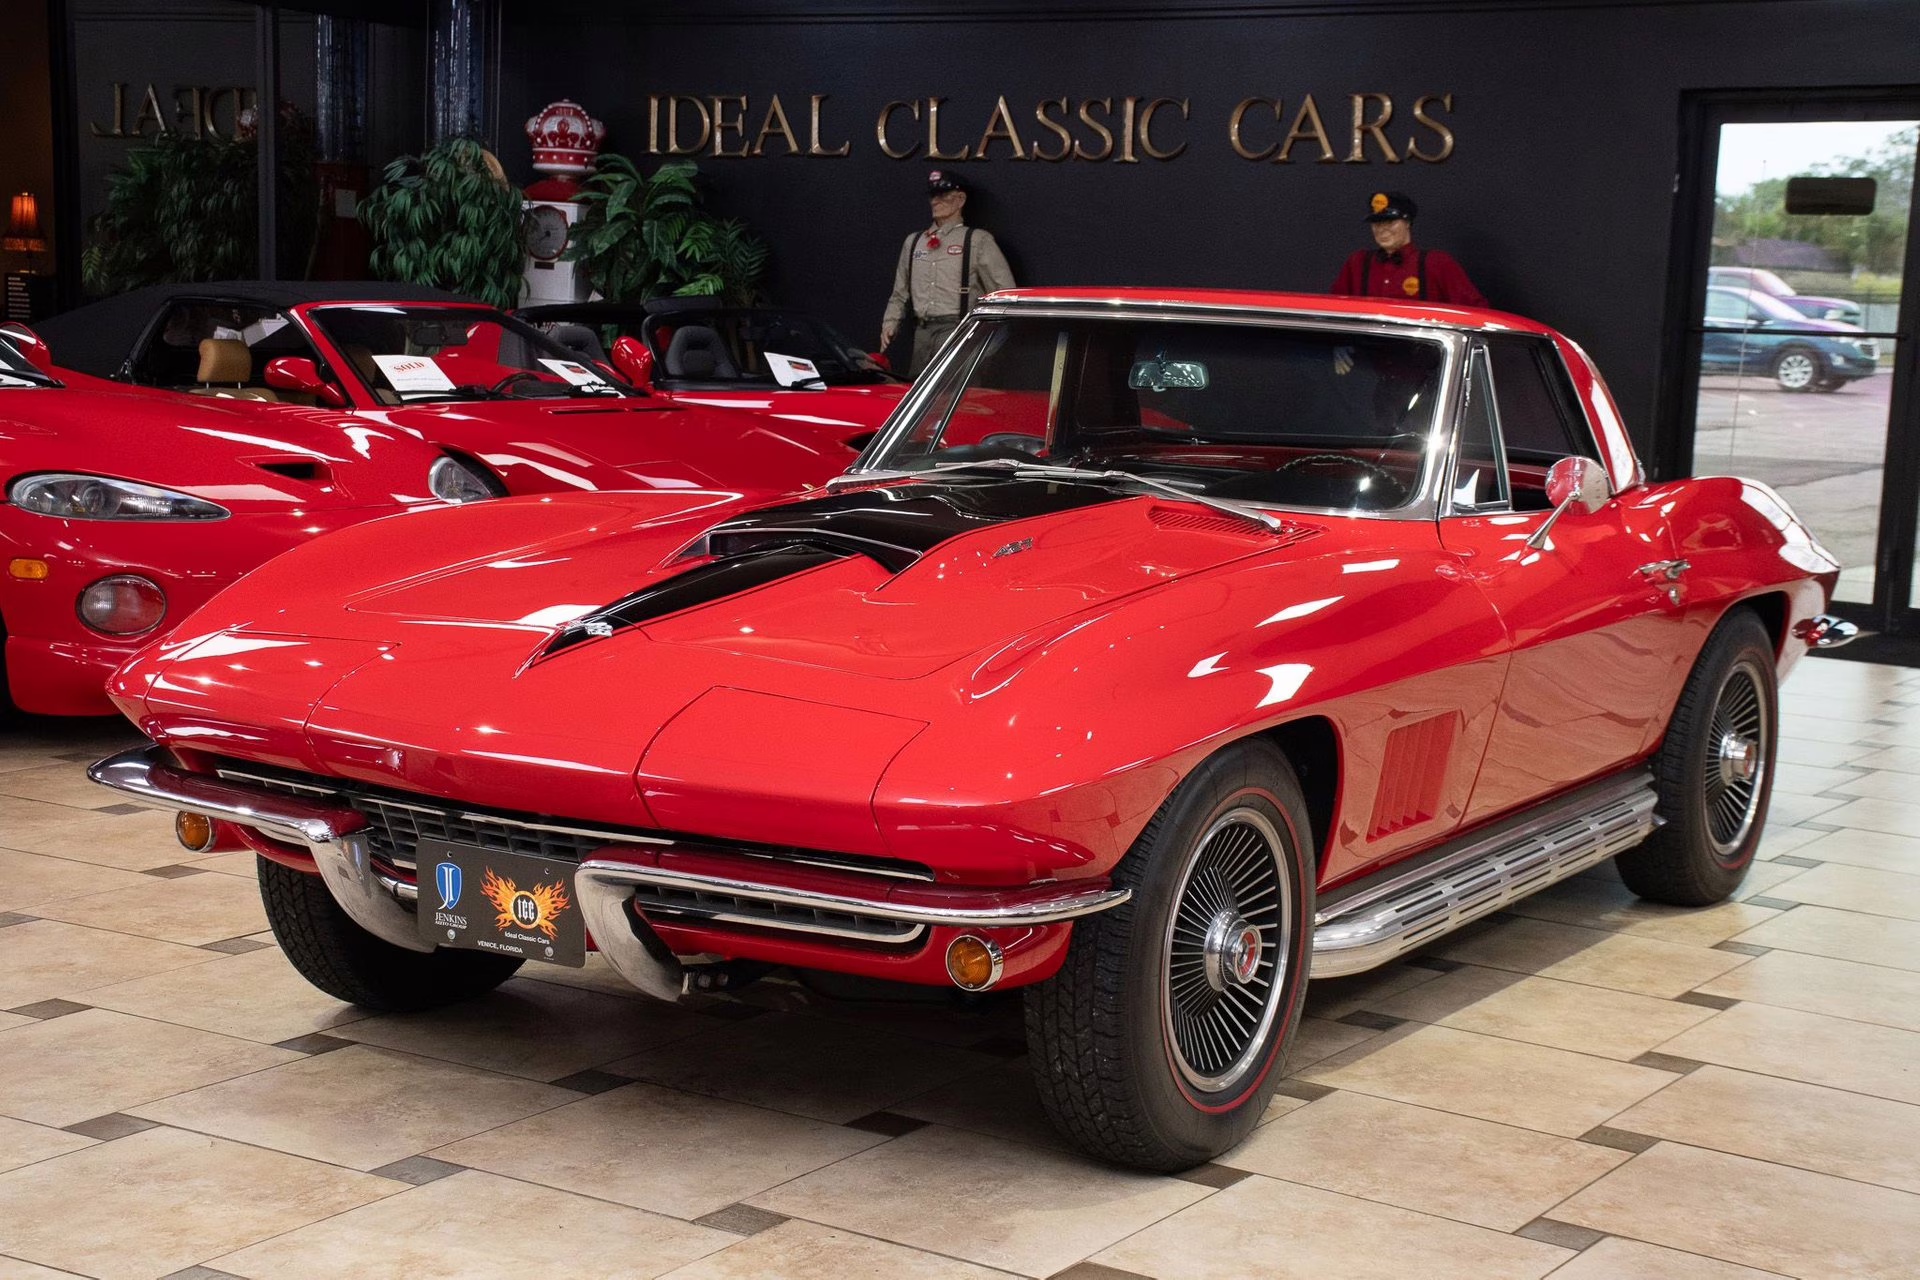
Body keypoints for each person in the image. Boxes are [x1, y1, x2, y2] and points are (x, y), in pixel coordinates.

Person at [880, 170, 1016, 377]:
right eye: (933, 196)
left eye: (943, 196)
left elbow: (1004, 293)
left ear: (960, 199)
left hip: (959, 330)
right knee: (918, 390)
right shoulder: (915, 242)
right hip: (923, 332)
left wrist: (990, 343)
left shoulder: (977, 240)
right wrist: (890, 322)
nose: (936, 201)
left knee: (959, 393)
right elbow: (900, 292)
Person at [1331, 191, 1487, 307]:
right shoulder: (1357, 263)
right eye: (1377, 223)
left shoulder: (1437, 264)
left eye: (1390, 222)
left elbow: (1475, 310)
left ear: (1407, 223)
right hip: (1365, 349)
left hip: (1420, 349)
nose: (1382, 229)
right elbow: (1336, 308)